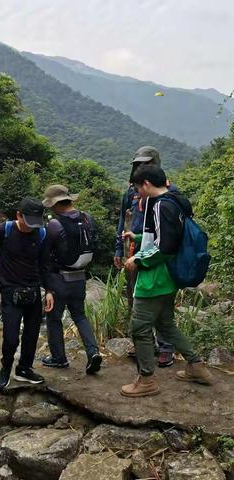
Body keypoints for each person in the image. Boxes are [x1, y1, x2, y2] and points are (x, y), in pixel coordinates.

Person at [121, 165, 213, 397]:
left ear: (146, 184)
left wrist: (138, 260)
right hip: (168, 279)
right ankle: (197, 366)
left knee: (140, 328)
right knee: (166, 325)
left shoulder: (161, 205)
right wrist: (139, 236)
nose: (137, 193)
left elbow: (165, 247)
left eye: (137, 188)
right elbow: (164, 237)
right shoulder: (174, 201)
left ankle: (147, 381)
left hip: (154, 278)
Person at [0, 197, 54, 389]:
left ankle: (24, 369)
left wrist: (49, 291)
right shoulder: (5, 230)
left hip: (33, 289)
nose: (31, 228)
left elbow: (45, 264)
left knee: (31, 334)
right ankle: (6, 366)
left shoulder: (41, 234)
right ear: (18, 215)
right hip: (10, 289)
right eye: (28, 223)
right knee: (11, 337)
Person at [113, 146, 175, 368]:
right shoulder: (131, 192)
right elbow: (122, 220)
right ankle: (145, 345)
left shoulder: (170, 191)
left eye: (147, 163)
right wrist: (118, 249)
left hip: (160, 254)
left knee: (162, 301)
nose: (142, 167)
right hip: (135, 253)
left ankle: (166, 347)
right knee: (136, 300)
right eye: (139, 164)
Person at [41, 185, 102, 373]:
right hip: (80, 278)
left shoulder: (55, 224)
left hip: (60, 278)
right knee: (80, 315)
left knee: (54, 318)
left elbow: (45, 255)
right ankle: (93, 352)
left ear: (57, 204)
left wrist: (47, 287)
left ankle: (59, 358)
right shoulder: (87, 218)